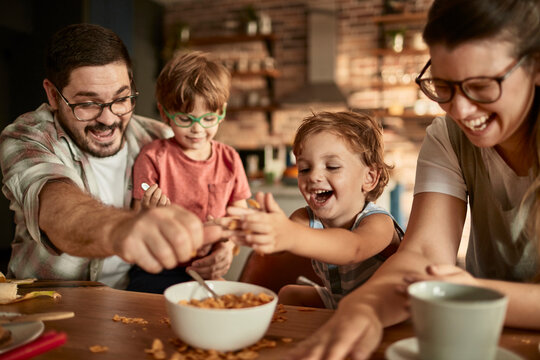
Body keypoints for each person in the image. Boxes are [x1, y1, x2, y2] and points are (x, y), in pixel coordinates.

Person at [284, 0, 540, 358]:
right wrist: (365, 308)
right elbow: (421, 252)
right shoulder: (447, 136)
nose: (461, 111)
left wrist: (472, 294)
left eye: (482, 86)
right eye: (443, 85)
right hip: (481, 335)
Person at [0, 24, 225, 290]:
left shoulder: (158, 137)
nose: (108, 119)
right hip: (48, 303)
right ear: (53, 94)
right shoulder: (27, 137)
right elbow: (58, 209)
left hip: (135, 301)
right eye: (87, 104)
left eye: (121, 99)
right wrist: (125, 228)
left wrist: (223, 247)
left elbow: (211, 201)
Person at [226, 111, 403, 309]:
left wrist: (288, 234)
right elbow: (282, 246)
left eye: (332, 166)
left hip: (382, 307)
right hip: (340, 301)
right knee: (289, 294)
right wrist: (258, 228)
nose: (314, 176)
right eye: (304, 169)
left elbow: (353, 248)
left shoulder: (378, 222)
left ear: (369, 177)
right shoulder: (305, 218)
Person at [127, 51, 251, 293]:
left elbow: (240, 218)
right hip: (157, 268)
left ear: (222, 112)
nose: (197, 129)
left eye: (208, 118)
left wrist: (226, 247)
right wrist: (148, 213)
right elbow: (134, 222)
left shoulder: (230, 159)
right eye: (185, 119)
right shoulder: (153, 157)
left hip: (205, 267)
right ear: (165, 114)